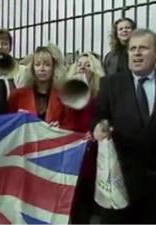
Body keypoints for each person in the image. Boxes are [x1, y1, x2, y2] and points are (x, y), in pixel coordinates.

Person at [94, 28, 156, 223]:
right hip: (120, 183)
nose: (136, 53)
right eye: (132, 49)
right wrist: (99, 127)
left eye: (143, 48)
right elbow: (98, 116)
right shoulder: (111, 84)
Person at [62, 52, 105, 224]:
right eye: (79, 64)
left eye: (87, 64)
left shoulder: (100, 96)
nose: (82, 67)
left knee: (84, 207)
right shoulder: (66, 93)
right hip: (71, 155)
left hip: (92, 156)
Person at [8, 44, 66, 125]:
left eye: (47, 65)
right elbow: (9, 124)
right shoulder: (17, 96)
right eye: (37, 64)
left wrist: (60, 127)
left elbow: (70, 126)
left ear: (54, 68)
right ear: (32, 68)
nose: (42, 69)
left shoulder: (63, 98)